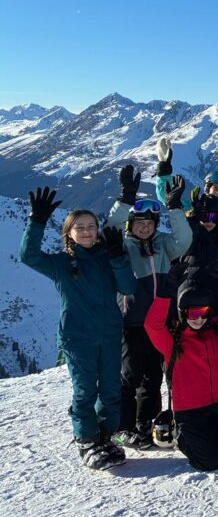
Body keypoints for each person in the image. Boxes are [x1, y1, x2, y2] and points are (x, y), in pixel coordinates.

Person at [19, 188, 135, 470]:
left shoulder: (107, 258)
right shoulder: (61, 264)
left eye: (91, 227)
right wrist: (36, 222)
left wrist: (118, 256)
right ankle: (86, 440)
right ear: (69, 233)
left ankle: (105, 437)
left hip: (109, 335)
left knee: (110, 389)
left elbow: (128, 287)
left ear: (97, 231)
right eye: (79, 228)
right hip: (77, 337)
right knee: (85, 391)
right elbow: (28, 256)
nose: (86, 232)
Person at [107, 165, 193, 450]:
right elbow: (110, 229)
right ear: (131, 225)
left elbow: (185, 240)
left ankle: (147, 424)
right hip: (133, 322)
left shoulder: (164, 245)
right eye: (139, 223)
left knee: (153, 376)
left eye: (150, 222)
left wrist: (175, 207)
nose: (145, 227)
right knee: (130, 375)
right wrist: (126, 199)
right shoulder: (124, 246)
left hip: (161, 322)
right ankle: (123, 427)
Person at [144, 267, 218, 471]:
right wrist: (165, 294)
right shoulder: (172, 341)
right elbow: (152, 325)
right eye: (193, 312)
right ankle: (183, 437)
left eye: (204, 312)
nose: (199, 318)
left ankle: (214, 434)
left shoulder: (217, 332)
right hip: (191, 412)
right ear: (183, 312)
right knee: (211, 461)